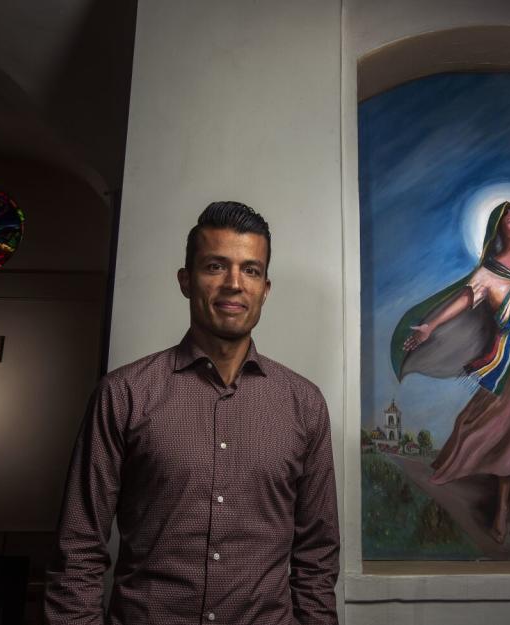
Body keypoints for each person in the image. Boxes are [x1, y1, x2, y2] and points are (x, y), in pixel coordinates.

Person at [45, 202, 340, 624]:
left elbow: (317, 557)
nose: (234, 284)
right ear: (186, 280)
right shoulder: (123, 394)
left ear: (266, 289)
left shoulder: (304, 405)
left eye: (251, 270)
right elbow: (77, 550)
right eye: (216, 266)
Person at [396, 201, 510, 543]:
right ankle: (504, 505)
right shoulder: (488, 273)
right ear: (499, 229)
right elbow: (465, 300)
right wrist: (431, 325)